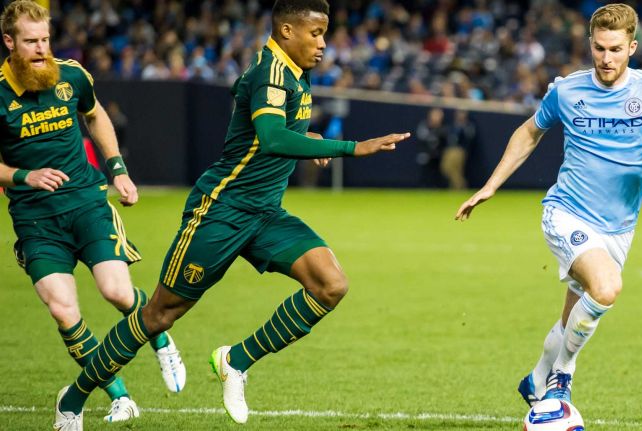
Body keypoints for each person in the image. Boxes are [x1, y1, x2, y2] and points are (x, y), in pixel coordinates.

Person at [53, 0, 410, 428]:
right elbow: (272, 137)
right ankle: (72, 398)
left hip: (264, 213)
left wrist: (307, 132)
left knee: (330, 285)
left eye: (324, 33)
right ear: (285, 32)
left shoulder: (293, 72)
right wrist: (352, 147)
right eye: (315, 33)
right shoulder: (270, 73)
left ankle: (235, 361)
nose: (323, 44)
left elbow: (270, 127)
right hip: (221, 211)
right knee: (159, 314)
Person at [456, 3, 642, 407]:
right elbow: (528, 133)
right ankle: (561, 377)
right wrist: (490, 185)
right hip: (567, 212)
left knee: (575, 312)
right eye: (600, 48)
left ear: (632, 47)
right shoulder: (568, 90)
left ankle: (535, 381)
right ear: (590, 44)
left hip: (619, 227)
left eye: (616, 50)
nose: (606, 58)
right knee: (606, 288)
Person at [0, 0, 186, 425]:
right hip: (36, 219)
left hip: (86, 201)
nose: (41, 48)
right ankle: (120, 396)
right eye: (30, 41)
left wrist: (117, 169)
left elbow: (95, 113)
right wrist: (23, 176)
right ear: (9, 42)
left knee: (118, 293)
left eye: (45, 38)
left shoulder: (70, 75)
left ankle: (160, 338)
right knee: (64, 311)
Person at [440, 109, 476, 190]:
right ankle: (458, 185)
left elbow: (470, 137)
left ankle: (459, 186)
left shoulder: (467, 125)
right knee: (446, 168)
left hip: (459, 150)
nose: (460, 115)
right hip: (449, 149)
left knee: (456, 169)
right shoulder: (453, 124)